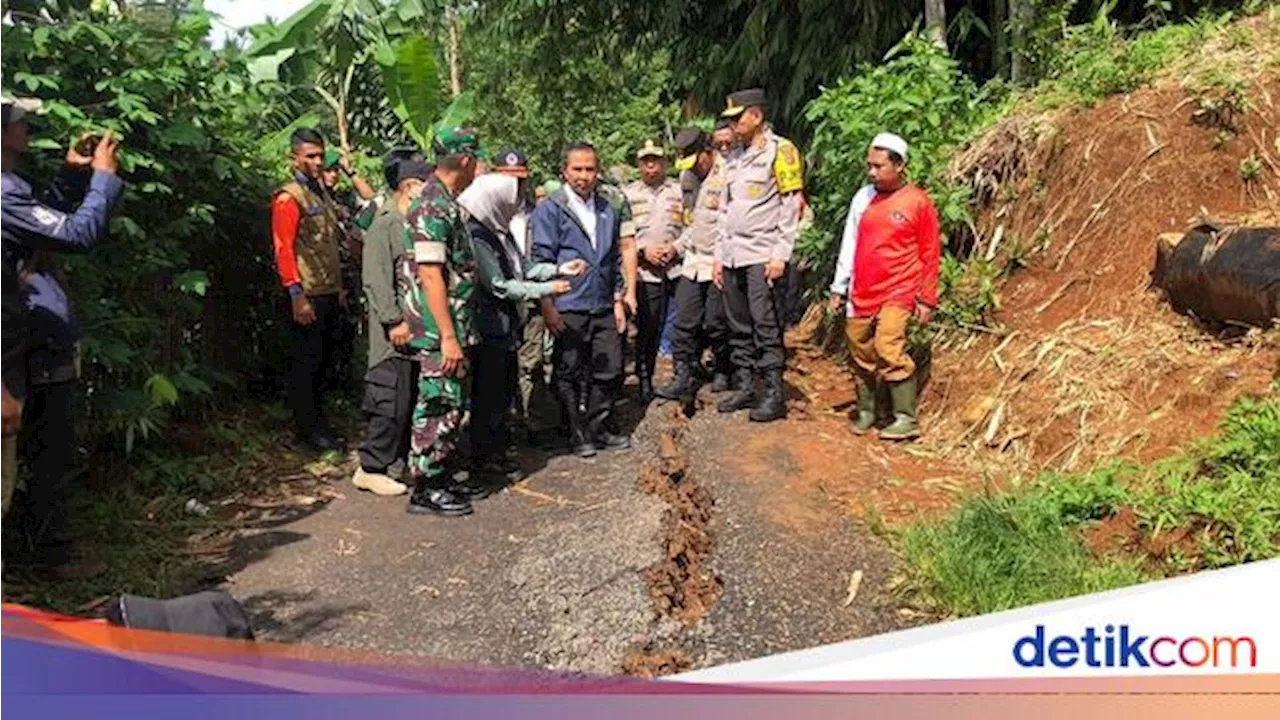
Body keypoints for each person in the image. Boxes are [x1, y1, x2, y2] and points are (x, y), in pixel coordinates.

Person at [0, 95, 123, 573]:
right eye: (19, 121)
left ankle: (39, 550)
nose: (27, 126)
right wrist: (103, 181)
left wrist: (72, 177)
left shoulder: (12, 189)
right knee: (47, 453)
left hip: (27, 339)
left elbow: (37, 227)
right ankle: (46, 556)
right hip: (19, 346)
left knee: (39, 452)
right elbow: (75, 235)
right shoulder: (4, 192)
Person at [459, 173, 584, 482]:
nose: (514, 206)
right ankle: (483, 461)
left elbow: (524, 267)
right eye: (508, 201)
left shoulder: (499, 232)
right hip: (489, 327)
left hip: (506, 327)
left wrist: (557, 268)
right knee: (489, 398)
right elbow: (499, 285)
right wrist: (546, 289)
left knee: (501, 394)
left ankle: (496, 456)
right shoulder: (478, 237)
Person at [828, 133, 940, 441]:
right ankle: (868, 410)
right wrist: (839, 288)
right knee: (859, 349)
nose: (872, 172)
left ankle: (906, 417)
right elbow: (849, 243)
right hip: (863, 288)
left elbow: (930, 252)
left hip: (899, 288)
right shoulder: (863, 198)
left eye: (879, 166)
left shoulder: (918, 202)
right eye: (869, 166)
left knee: (888, 345)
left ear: (900, 165)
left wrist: (926, 298)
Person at [401, 127, 486, 517]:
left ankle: (440, 474)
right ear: (466, 161)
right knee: (437, 403)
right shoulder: (432, 205)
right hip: (439, 331)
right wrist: (449, 336)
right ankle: (425, 486)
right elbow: (431, 274)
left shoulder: (445, 201)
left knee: (452, 403)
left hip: (452, 326)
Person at [531, 141, 631, 458]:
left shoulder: (606, 208)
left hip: (602, 302)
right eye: (577, 169)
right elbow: (540, 260)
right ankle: (576, 432)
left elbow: (613, 258)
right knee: (569, 370)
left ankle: (598, 425)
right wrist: (547, 305)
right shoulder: (550, 209)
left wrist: (618, 299)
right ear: (565, 171)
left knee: (610, 368)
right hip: (568, 303)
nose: (584, 176)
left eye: (590, 169)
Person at [714, 88, 805, 423]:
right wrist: (718, 256)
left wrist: (780, 255)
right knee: (737, 324)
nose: (733, 124)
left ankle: (772, 392)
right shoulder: (733, 156)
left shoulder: (781, 151)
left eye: (738, 117)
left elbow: (790, 205)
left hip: (762, 252)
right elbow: (725, 210)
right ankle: (744, 385)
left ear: (756, 115)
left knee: (764, 323)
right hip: (733, 255)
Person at [351, 153, 435, 497]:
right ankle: (371, 466)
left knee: (410, 397)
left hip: (416, 331)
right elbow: (375, 279)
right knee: (389, 400)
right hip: (393, 334)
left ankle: (399, 461)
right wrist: (393, 320)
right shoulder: (385, 224)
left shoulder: (414, 221)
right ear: (410, 186)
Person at [272, 128, 346, 451]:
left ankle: (320, 422)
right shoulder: (290, 197)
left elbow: (330, 244)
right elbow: (283, 248)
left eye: (320, 155)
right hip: (307, 294)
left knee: (324, 363)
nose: (317, 162)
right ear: (295, 158)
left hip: (328, 290)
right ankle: (307, 430)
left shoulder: (321, 193)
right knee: (307, 364)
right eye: (310, 156)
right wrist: (295, 293)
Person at [493, 149, 561, 448]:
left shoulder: (537, 213)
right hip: (500, 300)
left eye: (519, 179)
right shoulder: (486, 213)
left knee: (531, 364)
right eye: (507, 178)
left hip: (533, 297)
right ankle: (505, 424)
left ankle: (534, 423)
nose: (514, 186)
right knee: (502, 365)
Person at [657, 128, 731, 400]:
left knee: (716, 321)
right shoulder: (687, 177)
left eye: (696, 160)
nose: (694, 168)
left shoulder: (727, 175)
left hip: (718, 260)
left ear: (707, 152)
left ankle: (723, 368)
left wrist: (723, 259)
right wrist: (675, 247)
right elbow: (691, 223)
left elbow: (728, 224)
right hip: (692, 260)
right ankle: (682, 374)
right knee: (685, 320)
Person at [622, 140, 684, 404]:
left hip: (677, 268)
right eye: (646, 160)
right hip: (644, 271)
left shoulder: (679, 191)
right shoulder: (627, 194)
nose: (651, 165)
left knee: (682, 325)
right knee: (647, 327)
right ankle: (644, 378)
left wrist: (676, 248)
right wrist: (643, 251)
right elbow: (623, 235)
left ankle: (683, 375)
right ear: (638, 164)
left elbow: (693, 225)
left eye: (656, 160)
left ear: (664, 162)